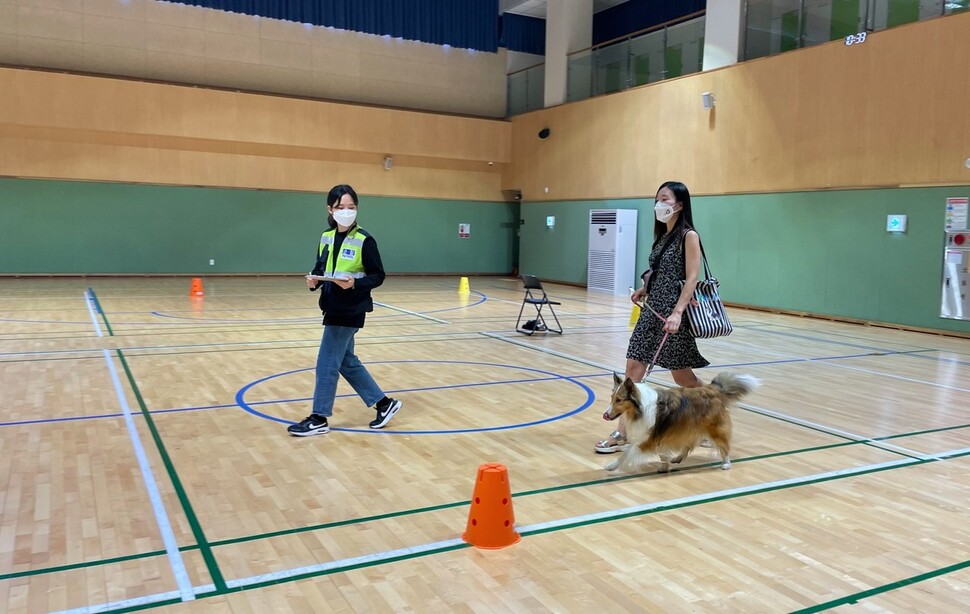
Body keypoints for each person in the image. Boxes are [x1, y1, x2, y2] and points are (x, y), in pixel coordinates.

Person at [595, 181, 709, 453]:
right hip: (652, 313)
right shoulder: (662, 236)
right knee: (633, 370)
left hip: (671, 317)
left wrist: (678, 312)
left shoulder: (688, 235)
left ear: (679, 205)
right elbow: (662, 273)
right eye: (657, 199)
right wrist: (645, 289)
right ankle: (623, 434)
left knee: (685, 379)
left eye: (664, 199)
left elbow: (692, 277)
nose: (658, 204)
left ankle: (709, 416)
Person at [288, 184, 403, 436]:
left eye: (351, 207)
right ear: (330, 209)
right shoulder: (326, 237)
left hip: (350, 309)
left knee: (327, 362)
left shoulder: (365, 240)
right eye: (341, 207)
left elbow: (378, 275)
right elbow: (321, 266)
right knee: (346, 362)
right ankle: (384, 404)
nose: (347, 211)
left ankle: (319, 417)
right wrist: (314, 280)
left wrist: (355, 284)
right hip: (331, 305)